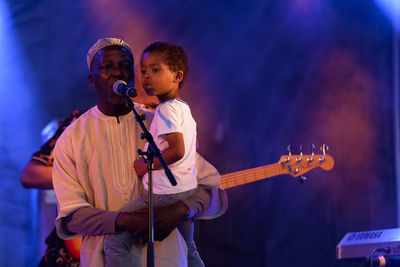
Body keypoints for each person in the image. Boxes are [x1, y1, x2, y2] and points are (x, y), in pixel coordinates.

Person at [52, 38, 227, 266]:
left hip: (168, 258)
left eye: (124, 66)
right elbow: (70, 217)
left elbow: (213, 193)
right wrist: (122, 221)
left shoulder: (159, 124)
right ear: (91, 80)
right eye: (107, 67)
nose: (117, 72)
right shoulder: (72, 137)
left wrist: (180, 209)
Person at [103, 42, 198, 266]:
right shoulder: (182, 107)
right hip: (185, 190)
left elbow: (177, 150)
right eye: (143, 71)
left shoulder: (166, 110)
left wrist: (146, 166)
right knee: (188, 247)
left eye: (155, 70)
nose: (147, 77)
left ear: (177, 75)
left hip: (164, 193)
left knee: (115, 239)